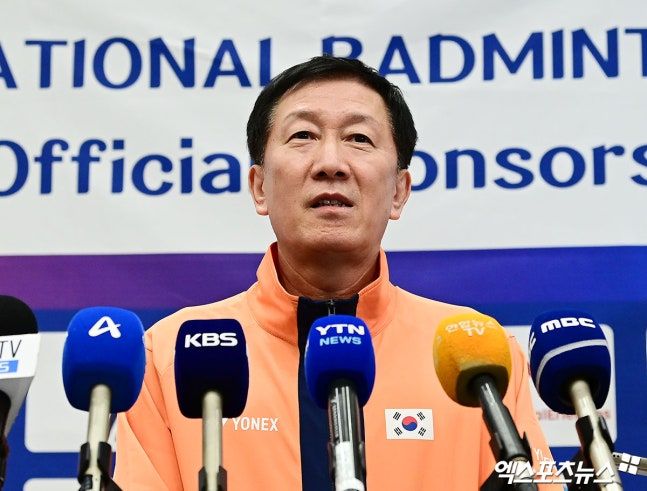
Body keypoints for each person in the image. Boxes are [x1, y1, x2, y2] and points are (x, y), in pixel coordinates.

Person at [114, 56, 559, 490]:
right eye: (303, 135)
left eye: (359, 138)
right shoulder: (171, 354)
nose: (331, 162)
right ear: (259, 186)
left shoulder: (481, 360)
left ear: (399, 191)